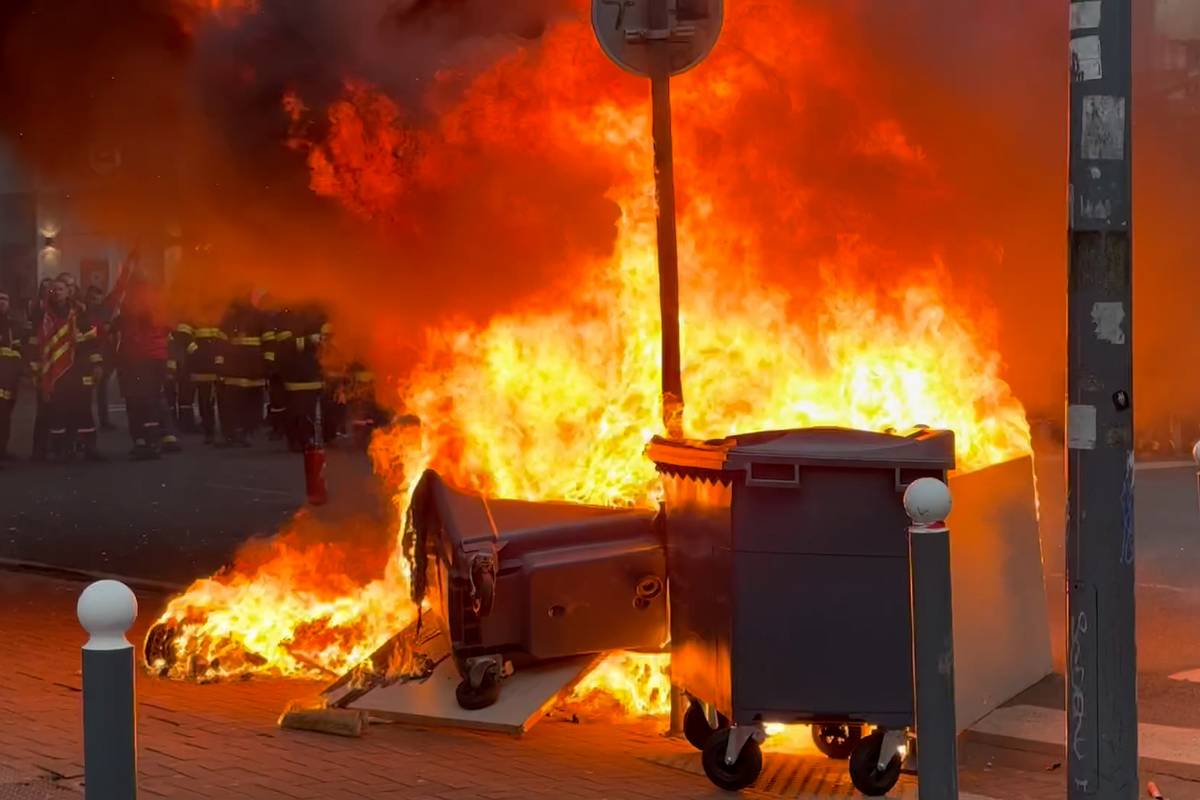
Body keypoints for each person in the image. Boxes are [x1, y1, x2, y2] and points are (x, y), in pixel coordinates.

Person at [116, 267, 179, 460]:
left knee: (139, 400)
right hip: (150, 357)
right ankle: (152, 440)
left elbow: (133, 327)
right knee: (149, 399)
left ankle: (145, 441)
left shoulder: (136, 304)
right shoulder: (156, 302)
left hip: (139, 357)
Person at [27, 278, 87, 461]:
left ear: (69, 291)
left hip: (70, 367)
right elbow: (33, 341)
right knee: (45, 411)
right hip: (47, 369)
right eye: (54, 290)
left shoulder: (77, 312)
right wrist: (35, 369)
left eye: (62, 289)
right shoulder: (41, 313)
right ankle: (40, 451)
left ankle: (66, 448)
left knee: (70, 410)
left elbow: (86, 338)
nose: (58, 292)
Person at [218, 295, 268, 447]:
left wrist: (267, 364)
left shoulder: (253, 316)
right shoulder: (233, 317)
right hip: (241, 368)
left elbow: (268, 341)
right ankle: (241, 432)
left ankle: (244, 431)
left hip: (246, 367)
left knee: (245, 401)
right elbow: (221, 343)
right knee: (242, 401)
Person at [280, 305, 325, 452]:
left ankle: (306, 440)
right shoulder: (287, 319)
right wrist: (308, 340)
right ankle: (295, 440)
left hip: (311, 375)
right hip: (294, 375)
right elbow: (285, 344)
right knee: (295, 411)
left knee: (308, 411)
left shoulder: (317, 318)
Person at [186, 321, 224, 444]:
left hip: (221, 365)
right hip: (202, 367)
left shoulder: (221, 312)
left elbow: (226, 336)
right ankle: (209, 431)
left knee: (224, 400)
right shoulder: (193, 314)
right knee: (205, 400)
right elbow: (182, 336)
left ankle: (228, 431)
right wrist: (197, 353)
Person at [0, 291, 21, 460]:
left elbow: (20, 350)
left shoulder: (14, 325)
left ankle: (3, 450)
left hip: (10, 378)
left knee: (5, 417)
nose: (1, 302)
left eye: (4, 299)